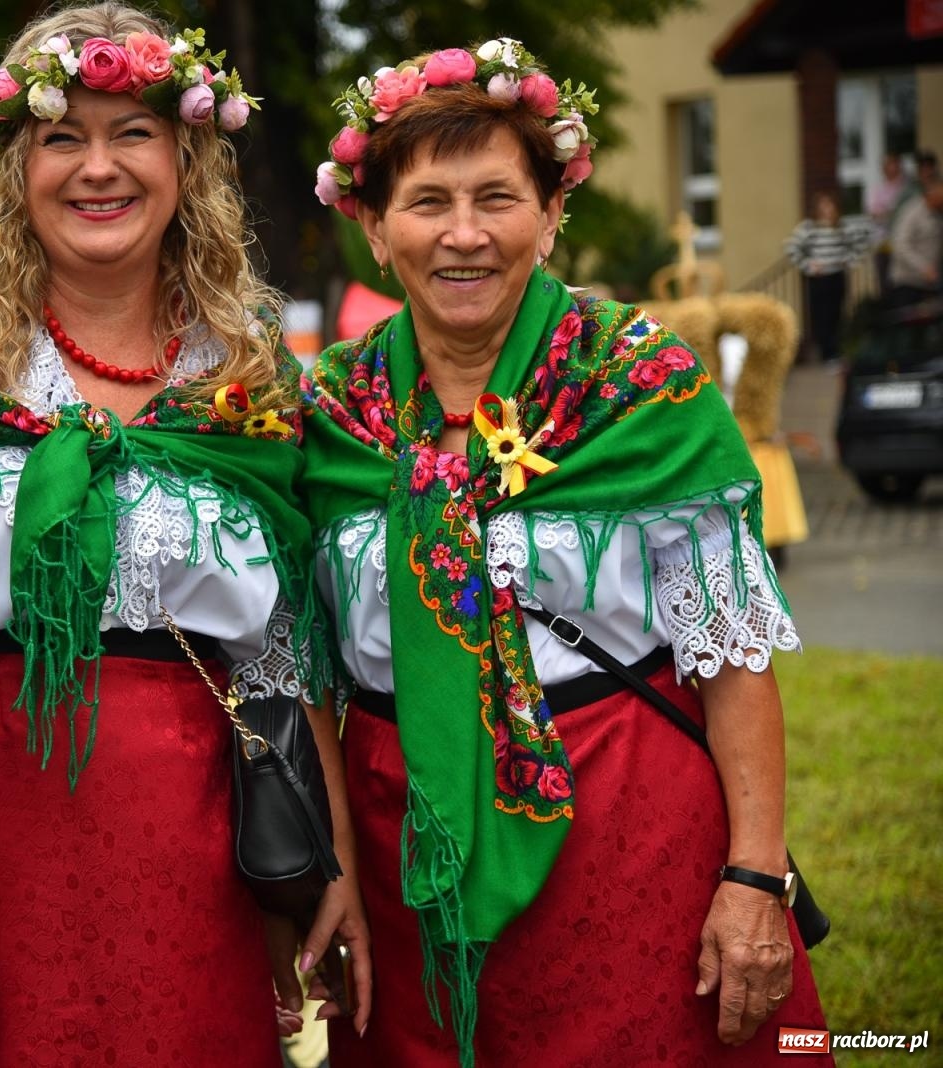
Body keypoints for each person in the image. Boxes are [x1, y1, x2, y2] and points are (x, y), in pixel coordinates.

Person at [0, 4, 370, 1063]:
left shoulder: (246, 373)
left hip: (187, 828)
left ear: (186, 158)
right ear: (13, 167)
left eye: (131, 132)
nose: (99, 168)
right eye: (62, 137)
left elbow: (281, 651)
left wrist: (332, 858)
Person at [302, 40, 828, 1067]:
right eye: (426, 202)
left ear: (549, 216)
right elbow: (311, 674)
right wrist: (332, 872)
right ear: (371, 225)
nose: (464, 235)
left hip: (629, 838)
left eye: (496, 197)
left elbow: (730, 658)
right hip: (401, 850)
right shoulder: (328, 413)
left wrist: (755, 877)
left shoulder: (643, 387)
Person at [784, 190, 874, 362]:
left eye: (830, 205)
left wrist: (848, 261)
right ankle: (826, 352)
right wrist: (808, 265)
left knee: (837, 313)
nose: (827, 209)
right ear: (817, 208)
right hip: (818, 279)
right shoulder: (809, 228)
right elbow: (791, 247)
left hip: (836, 276)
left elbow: (860, 244)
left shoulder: (841, 227)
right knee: (821, 316)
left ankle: (835, 350)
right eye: (823, 206)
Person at [887, 177, 943, 307]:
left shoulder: (939, 213)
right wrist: (924, 267)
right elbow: (901, 245)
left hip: (931, 284)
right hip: (907, 283)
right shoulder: (912, 212)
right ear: (932, 195)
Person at [867, 152, 911, 295]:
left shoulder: (907, 189)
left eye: (894, 164)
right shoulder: (877, 189)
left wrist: (889, 212)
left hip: (906, 243)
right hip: (883, 245)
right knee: (885, 287)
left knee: (904, 286)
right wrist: (893, 213)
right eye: (887, 165)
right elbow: (875, 215)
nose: (891, 168)